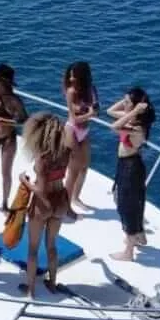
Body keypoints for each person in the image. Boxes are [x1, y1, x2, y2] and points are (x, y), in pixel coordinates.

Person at [20, 112, 71, 299]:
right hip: (60, 201)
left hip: (43, 204)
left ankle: (31, 289)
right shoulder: (66, 152)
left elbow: (40, 190)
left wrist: (24, 182)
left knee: (33, 248)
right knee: (52, 246)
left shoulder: (42, 159)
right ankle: (53, 283)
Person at [108, 87, 156, 260]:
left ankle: (129, 251)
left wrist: (134, 109)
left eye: (127, 102)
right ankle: (139, 235)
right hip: (125, 165)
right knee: (130, 201)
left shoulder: (138, 128)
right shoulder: (132, 120)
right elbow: (110, 111)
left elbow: (114, 127)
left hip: (131, 167)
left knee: (127, 204)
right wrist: (129, 105)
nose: (124, 105)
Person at [0, 64, 28, 213]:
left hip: (8, 138)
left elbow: (23, 119)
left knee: (5, 172)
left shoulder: (15, 101)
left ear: (3, 82)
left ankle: (5, 203)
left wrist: (9, 121)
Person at [62, 61, 98, 218]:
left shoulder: (90, 89)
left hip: (85, 130)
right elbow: (75, 118)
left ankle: (76, 197)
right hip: (72, 130)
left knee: (84, 167)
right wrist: (90, 114)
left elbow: (96, 108)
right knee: (73, 170)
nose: (71, 79)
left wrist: (94, 108)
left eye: (74, 76)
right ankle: (66, 206)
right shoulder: (71, 92)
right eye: (70, 76)